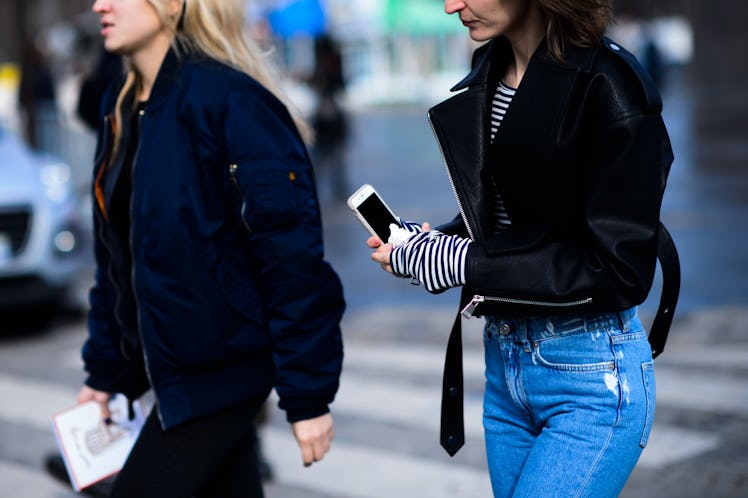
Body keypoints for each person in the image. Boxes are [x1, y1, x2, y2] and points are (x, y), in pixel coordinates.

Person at [367, 1, 678, 496]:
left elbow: (619, 269)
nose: (452, 6)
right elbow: (520, 222)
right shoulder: (488, 70)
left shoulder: (609, 86)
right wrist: (430, 244)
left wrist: (459, 262)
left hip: (590, 378)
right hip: (505, 365)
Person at [78, 1, 345, 497]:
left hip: (223, 374)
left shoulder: (229, 101)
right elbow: (115, 261)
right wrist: (106, 370)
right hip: (179, 375)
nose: (100, 3)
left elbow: (292, 259)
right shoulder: (120, 105)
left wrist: (308, 395)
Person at [307, 33, 349, 201]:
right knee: (329, 157)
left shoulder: (330, 66)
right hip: (331, 120)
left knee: (327, 157)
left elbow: (326, 86)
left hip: (327, 121)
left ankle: (329, 186)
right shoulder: (333, 64)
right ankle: (333, 186)